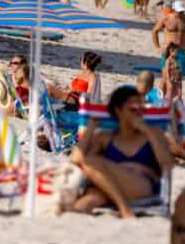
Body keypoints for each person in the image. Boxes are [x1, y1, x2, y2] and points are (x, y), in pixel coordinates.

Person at [69, 85, 174, 218]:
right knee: (90, 200)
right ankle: (73, 219)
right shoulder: (105, 137)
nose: (139, 111)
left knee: (91, 162)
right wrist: (91, 127)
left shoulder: (153, 132)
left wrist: (147, 130)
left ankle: (123, 208)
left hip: (142, 186)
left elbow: (167, 165)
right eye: (133, 107)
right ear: (118, 110)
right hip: (110, 186)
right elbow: (76, 160)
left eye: (142, 106)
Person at [151, 1, 185, 104]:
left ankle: (178, 101)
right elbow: (154, 31)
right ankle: (160, 100)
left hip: (182, 51)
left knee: (179, 77)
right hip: (168, 51)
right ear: (174, 9)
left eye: (182, 11)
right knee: (165, 76)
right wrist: (158, 47)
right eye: (179, 11)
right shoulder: (166, 18)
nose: (180, 13)